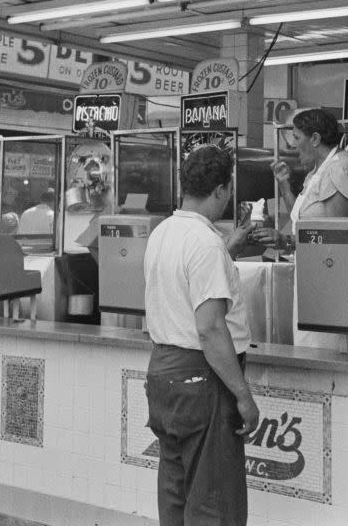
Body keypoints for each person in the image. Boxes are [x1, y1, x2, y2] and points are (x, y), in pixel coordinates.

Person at [143, 145, 259, 526]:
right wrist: (243, 395)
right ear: (222, 190)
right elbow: (210, 328)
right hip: (202, 380)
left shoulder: (163, 232)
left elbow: (186, 277)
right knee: (213, 499)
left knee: (176, 491)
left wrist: (228, 246)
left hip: (163, 373)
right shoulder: (205, 243)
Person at [252, 108, 348, 347]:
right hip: (313, 277)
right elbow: (303, 222)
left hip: (331, 284)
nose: (293, 145)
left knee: (324, 354)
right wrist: (284, 186)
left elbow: (336, 238)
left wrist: (287, 242)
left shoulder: (338, 169)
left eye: (296, 138)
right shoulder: (318, 171)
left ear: (314, 138)